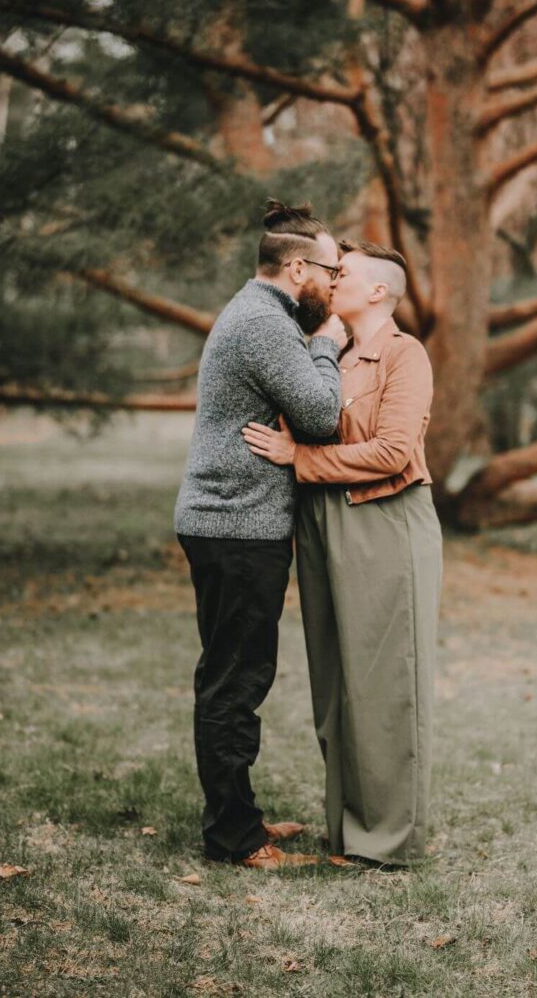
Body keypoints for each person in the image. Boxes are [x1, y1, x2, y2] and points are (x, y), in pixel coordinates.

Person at [242, 239, 442, 866]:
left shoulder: (404, 356)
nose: (332, 279)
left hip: (386, 521)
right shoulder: (327, 353)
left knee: (386, 683)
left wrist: (299, 458)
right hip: (322, 521)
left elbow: (392, 452)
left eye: (345, 273)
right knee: (336, 683)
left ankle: (389, 840)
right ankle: (349, 827)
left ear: (377, 291)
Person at [174, 199, 348, 870]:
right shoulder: (264, 326)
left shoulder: (259, 317)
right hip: (235, 526)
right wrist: (328, 345)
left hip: (233, 521)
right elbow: (320, 416)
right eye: (331, 273)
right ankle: (232, 838)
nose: (334, 288)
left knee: (238, 675)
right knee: (234, 682)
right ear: (297, 267)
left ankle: (238, 816)